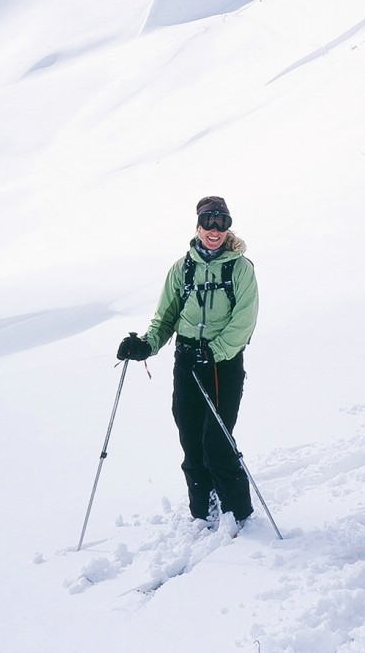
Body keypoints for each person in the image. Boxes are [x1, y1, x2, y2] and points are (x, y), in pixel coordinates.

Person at [117, 195, 259, 528]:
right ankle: (203, 512)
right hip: (186, 360)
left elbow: (245, 321)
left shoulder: (240, 268)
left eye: (221, 222)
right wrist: (145, 346)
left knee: (218, 441)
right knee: (191, 438)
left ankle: (238, 513)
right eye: (208, 221)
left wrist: (215, 351)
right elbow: (165, 317)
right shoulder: (182, 269)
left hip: (222, 365)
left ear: (228, 227)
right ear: (197, 226)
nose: (215, 229)